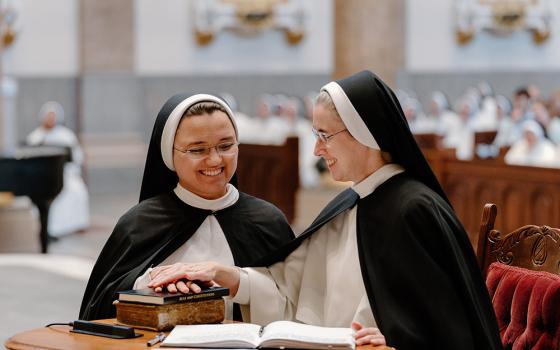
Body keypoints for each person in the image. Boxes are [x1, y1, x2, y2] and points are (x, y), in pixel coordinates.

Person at [147, 71, 503, 349]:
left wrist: (398, 340)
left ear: (365, 133)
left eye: (325, 135)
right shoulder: (353, 203)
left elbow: (448, 324)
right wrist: (228, 276)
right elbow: (293, 293)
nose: (317, 149)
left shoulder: (413, 210)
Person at [79, 94, 295, 320]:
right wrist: (150, 284)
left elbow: (298, 306)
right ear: (170, 155)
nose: (215, 160)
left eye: (226, 145)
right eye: (197, 150)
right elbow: (98, 310)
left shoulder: (267, 221)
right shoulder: (139, 224)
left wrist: (237, 282)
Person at [26, 101, 89, 237]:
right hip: (41, 176)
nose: (50, 119)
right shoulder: (35, 137)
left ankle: (71, 225)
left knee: (77, 190)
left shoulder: (66, 136)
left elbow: (76, 158)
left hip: (65, 174)